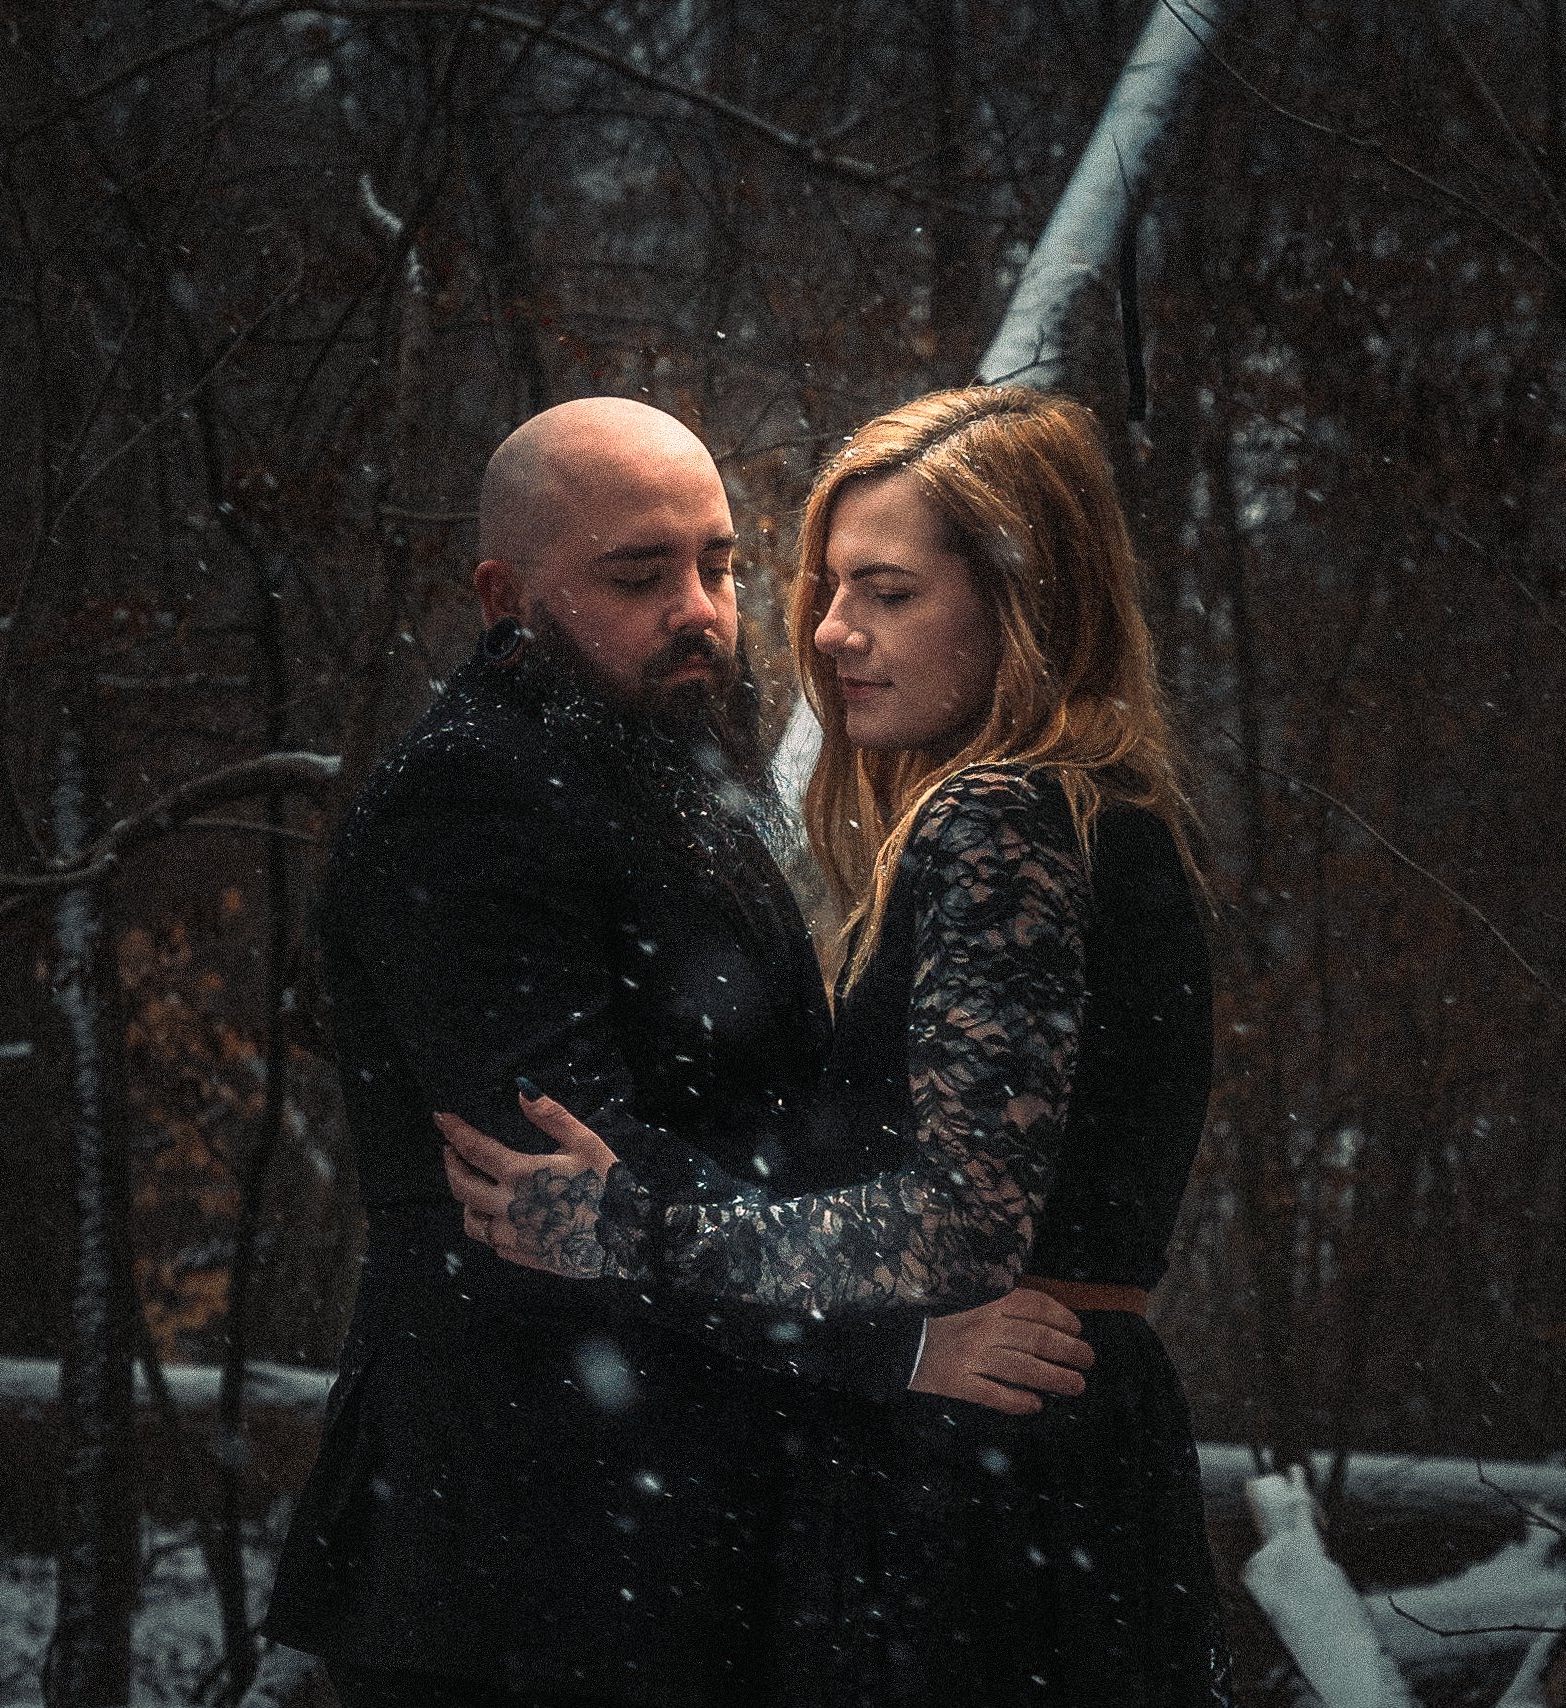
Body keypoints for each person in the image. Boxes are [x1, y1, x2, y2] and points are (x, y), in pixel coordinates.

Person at [263, 396, 1096, 1708]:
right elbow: (559, 1186)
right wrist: (896, 1340)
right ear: (503, 597)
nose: (700, 611)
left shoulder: (657, 775)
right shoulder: (470, 799)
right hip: (517, 1557)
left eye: (719, 565)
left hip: (654, 1536)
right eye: (638, 577)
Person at [442, 386, 1236, 1706]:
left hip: (984, 1480)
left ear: (1024, 602)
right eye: (827, 587)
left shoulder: (1001, 820)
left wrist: (636, 1230)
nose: (830, 631)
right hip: (1059, 1454)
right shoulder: (1106, 812)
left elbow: (960, 1226)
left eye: (889, 593)